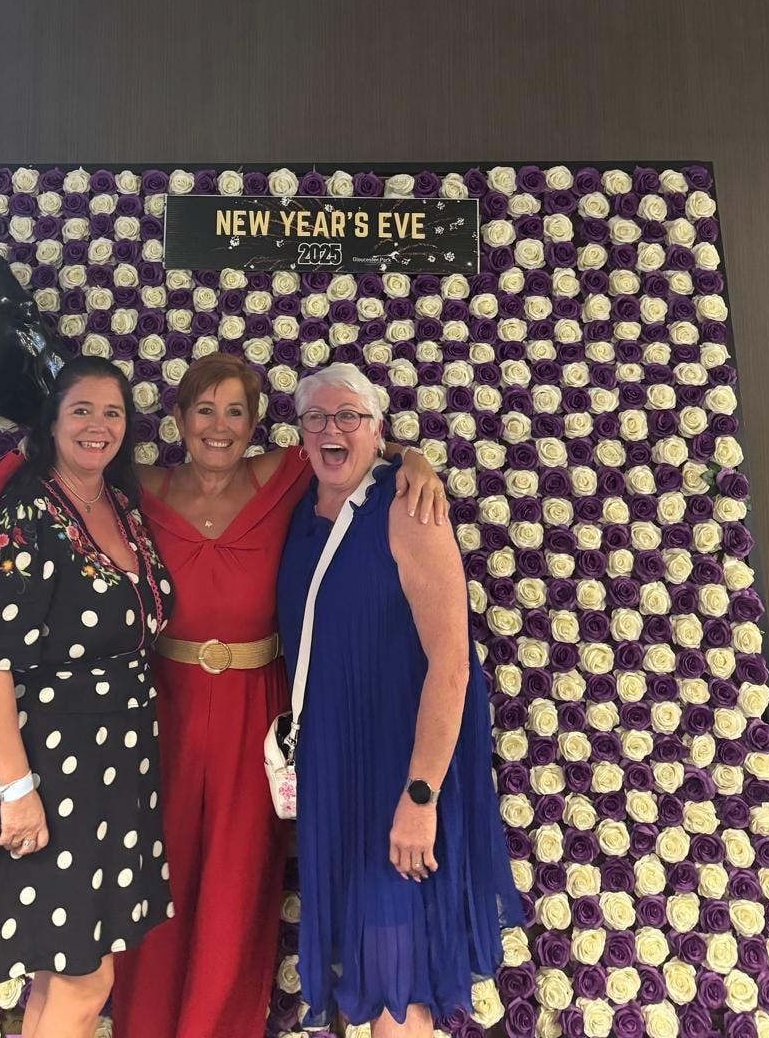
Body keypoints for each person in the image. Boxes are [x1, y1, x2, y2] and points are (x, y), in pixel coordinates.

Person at [0, 352, 447, 1038]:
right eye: (205, 410)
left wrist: (412, 458)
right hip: (157, 714)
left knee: (236, 888)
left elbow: (343, 439)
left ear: (254, 424)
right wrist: (15, 785)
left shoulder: (279, 475)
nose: (220, 426)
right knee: (151, 888)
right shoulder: (132, 492)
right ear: (178, 419)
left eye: (236, 412)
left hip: (250, 711)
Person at [277, 364, 523, 1037]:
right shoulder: (300, 508)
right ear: (299, 435)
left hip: (399, 766)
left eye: (349, 416)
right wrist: (405, 449)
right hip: (336, 767)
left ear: (377, 428)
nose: (332, 430)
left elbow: (452, 664)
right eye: (316, 418)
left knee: (398, 971)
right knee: (362, 954)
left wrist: (420, 797)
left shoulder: (408, 507)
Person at [0, 356, 175, 1038]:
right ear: (52, 422)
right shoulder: (23, 519)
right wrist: (17, 788)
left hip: (116, 766)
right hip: (50, 768)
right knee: (86, 978)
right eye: (81, 410)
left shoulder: (122, 507)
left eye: (112, 413)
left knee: (60, 970)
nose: (97, 425)